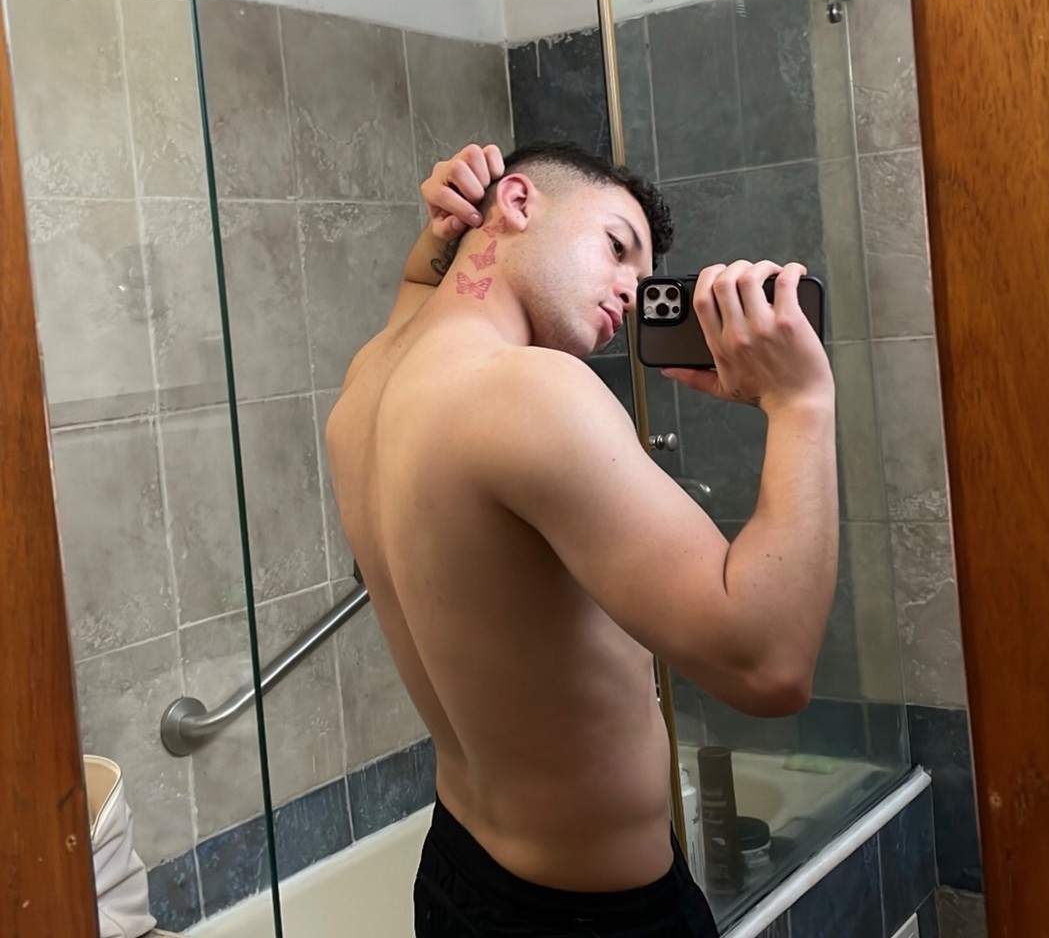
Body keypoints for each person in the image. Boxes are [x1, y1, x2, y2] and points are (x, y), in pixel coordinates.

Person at [325, 141, 838, 937]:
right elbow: (769, 665)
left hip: (459, 876)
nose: (632, 290)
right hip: (588, 917)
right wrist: (801, 403)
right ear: (518, 203)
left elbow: (427, 284)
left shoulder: (372, 374)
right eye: (617, 246)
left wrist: (448, 227)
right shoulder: (530, 391)